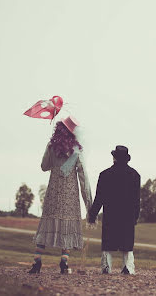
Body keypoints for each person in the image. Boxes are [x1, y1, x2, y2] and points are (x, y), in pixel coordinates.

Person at [29, 116, 92, 274]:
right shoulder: (77, 151)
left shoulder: (51, 146)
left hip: (53, 193)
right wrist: (89, 204)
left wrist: (52, 156)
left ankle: (37, 262)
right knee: (67, 227)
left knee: (47, 224)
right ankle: (64, 263)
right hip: (70, 195)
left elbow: (44, 166)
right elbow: (83, 178)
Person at [88, 145, 141, 275]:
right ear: (127, 159)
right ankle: (128, 267)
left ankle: (106, 267)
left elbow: (99, 198)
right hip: (128, 215)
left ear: (114, 158)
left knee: (108, 242)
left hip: (110, 214)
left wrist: (92, 214)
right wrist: (135, 216)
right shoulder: (135, 175)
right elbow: (136, 199)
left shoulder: (105, 174)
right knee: (127, 244)